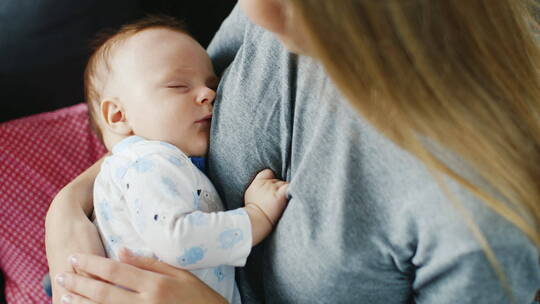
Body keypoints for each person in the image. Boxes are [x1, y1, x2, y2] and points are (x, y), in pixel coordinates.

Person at [46, 1, 540, 303]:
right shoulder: (274, 21)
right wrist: (67, 208)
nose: (253, 10)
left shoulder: (482, 223)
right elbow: (156, 115)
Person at [50, 15, 288, 304]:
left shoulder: (142, 165)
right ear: (117, 115)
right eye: (178, 86)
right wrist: (256, 216)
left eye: (211, 84)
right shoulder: (148, 161)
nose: (208, 94)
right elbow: (178, 239)